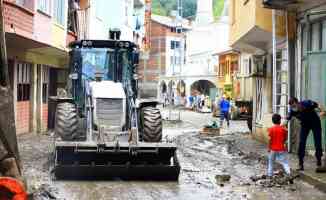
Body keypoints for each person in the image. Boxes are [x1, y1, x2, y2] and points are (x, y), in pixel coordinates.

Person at [287, 97, 323, 171]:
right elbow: (287, 120)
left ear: (297, 103)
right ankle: (300, 164)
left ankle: (319, 161)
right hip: (305, 125)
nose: (293, 108)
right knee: (301, 143)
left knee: (317, 142)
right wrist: (279, 126)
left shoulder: (306, 103)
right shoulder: (292, 111)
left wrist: (322, 110)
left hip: (315, 123)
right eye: (292, 107)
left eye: (294, 106)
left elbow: (318, 105)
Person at [268, 114, 291, 178]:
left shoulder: (271, 129)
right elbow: (285, 139)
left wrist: (269, 148)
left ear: (272, 121)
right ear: (280, 121)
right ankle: (289, 173)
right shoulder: (283, 129)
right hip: (281, 149)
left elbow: (270, 140)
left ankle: (270, 175)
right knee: (284, 162)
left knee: (271, 162)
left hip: (273, 149)